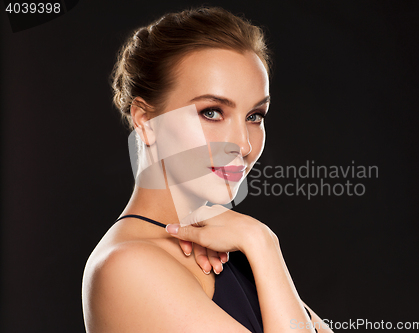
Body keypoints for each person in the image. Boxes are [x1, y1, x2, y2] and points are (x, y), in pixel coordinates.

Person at [82, 6, 332, 333]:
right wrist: (262, 241)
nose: (243, 145)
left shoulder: (233, 250)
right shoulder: (126, 267)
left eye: (255, 116)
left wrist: (256, 247)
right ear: (145, 120)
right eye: (212, 112)